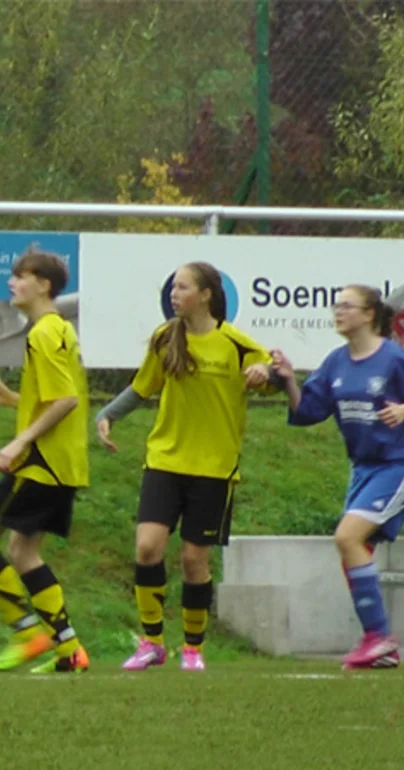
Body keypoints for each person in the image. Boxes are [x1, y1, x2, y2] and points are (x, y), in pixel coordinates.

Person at [96, 261, 276, 672]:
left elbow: (273, 376)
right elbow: (143, 386)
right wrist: (107, 414)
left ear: (206, 294)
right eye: (172, 288)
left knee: (195, 561)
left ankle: (193, 648)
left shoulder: (237, 344)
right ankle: (152, 642)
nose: (174, 294)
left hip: (214, 468)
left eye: (182, 287)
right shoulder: (165, 337)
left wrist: (266, 371)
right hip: (164, 460)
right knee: (147, 548)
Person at [272, 284, 404, 670]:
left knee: (347, 537)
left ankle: (378, 637)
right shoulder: (335, 362)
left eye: (347, 306)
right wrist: (287, 380)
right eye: (336, 306)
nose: (338, 312)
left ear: (369, 314)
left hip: (401, 462)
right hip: (364, 467)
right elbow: (306, 412)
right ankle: (382, 649)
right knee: (355, 549)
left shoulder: (394, 358)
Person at [0, 250, 91, 674]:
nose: (11, 283)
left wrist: (19, 441)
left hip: (43, 462)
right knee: (22, 552)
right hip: (60, 461)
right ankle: (68, 649)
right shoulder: (57, 330)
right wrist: (13, 401)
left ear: (45, 286)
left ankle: (28, 634)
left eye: (21, 276)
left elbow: (67, 400)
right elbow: (57, 397)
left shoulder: (43, 334)